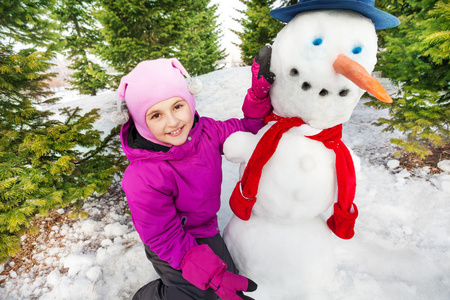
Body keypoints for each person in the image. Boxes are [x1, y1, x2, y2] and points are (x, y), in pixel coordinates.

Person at [115, 47, 274, 300]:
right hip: (168, 240)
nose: (173, 122)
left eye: (177, 106)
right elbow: (162, 234)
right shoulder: (142, 176)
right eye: (156, 115)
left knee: (226, 284)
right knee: (196, 293)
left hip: (204, 229)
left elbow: (247, 130)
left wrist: (257, 96)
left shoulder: (207, 132)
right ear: (140, 122)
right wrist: (205, 270)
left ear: (189, 101)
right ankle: (150, 296)